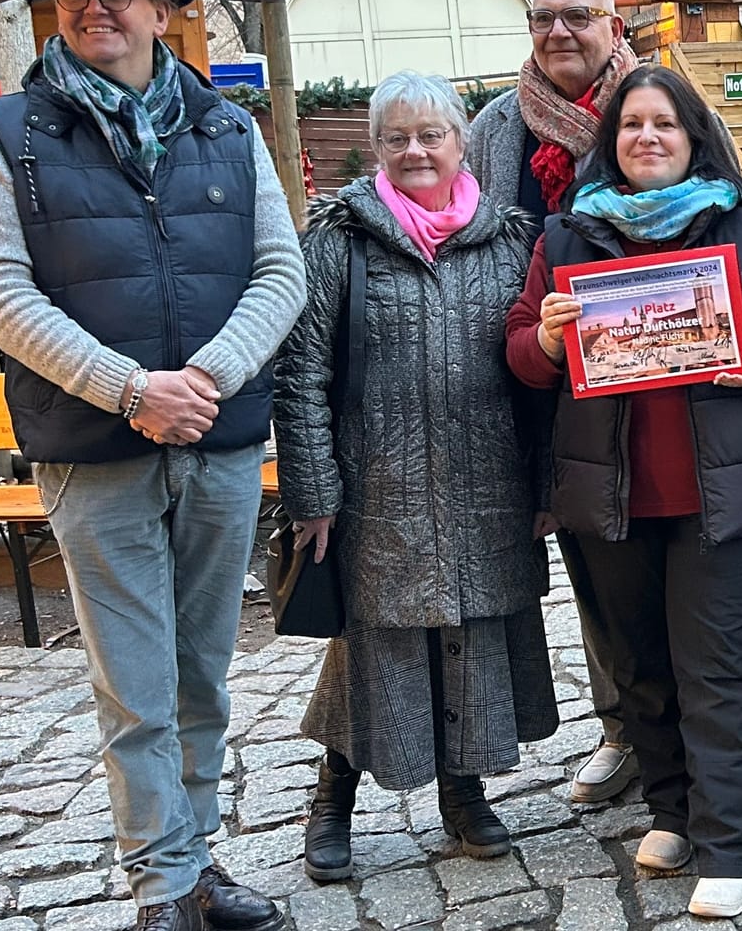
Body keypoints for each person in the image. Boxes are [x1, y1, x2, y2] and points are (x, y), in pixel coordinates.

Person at [0, 0, 304, 931]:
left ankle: (196, 871)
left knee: (203, 673)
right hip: (95, 449)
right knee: (135, 684)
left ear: (160, 10)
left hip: (219, 441)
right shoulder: (6, 135)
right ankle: (162, 889)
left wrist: (207, 377)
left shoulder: (228, 130)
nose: (93, 8)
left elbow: (280, 272)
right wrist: (130, 390)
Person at [506, 65, 742, 918]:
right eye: (631, 124)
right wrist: (541, 337)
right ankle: (672, 809)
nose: (648, 136)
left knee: (714, 668)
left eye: (665, 124)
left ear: (692, 138)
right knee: (641, 668)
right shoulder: (567, 238)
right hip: (608, 495)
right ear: (611, 144)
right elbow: (520, 355)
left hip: (720, 496)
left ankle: (728, 846)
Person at [272, 72, 559, 883]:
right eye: (397, 137)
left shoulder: (510, 238)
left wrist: (544, 488)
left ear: (462, 141)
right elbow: (300, 373)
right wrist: (313, 495)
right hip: (378, 489)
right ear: (376, 148)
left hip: (485, 483)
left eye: (431, 133)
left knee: (471, 635)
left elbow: (537, 374)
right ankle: (333, 796)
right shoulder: (337, 238)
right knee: (375, 650)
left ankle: (462, 793)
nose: (415, 150)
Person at [468, 0, 646, 804]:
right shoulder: (496, 129)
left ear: (614, 24)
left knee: (670, 561)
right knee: (592, 565)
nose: (560, 32)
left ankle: (687, 727)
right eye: (544, 18)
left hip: (651, 377)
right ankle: (623, 727)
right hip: (539, 380)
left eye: (579, 16)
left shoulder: (657, 109)